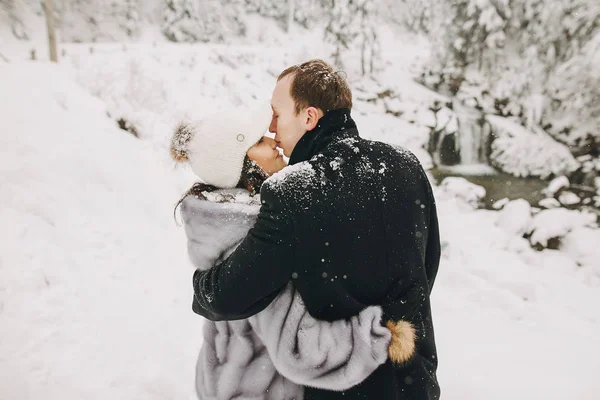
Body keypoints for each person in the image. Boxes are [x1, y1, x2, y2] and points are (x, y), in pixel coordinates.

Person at [190, 59, 441, 400]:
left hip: (345, 385)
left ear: (309, 117)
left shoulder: (294, 190)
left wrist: (201, 281)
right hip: (413, 377)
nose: (272, 129)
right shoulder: (405, 164)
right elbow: (428, 264)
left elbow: (229, 295)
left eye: (277, 115)